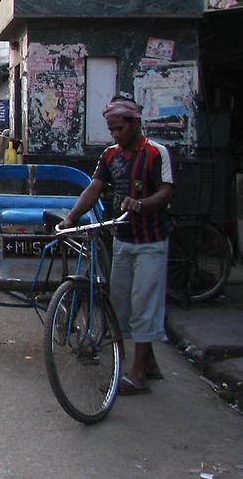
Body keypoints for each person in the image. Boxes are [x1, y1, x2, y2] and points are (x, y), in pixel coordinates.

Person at [59, 96, 173, 396]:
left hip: (152, 242)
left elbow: (166, 191)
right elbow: (94, 188)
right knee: (120, 307)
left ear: (135, 123)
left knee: (144, 307)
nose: (116, 134)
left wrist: (142, 204)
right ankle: (142, 365)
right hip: (123, 239)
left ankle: (137, 377)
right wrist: (71, 218)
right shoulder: (110, 156)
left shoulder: (156, 153)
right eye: (111, 130)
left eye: (120, 128)